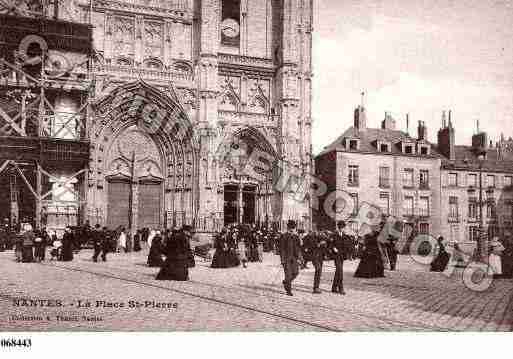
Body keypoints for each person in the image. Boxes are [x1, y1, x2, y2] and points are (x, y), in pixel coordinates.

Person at [279, 220, 301, 296]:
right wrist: (282, 260)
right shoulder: (284, 236)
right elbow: (281, 249)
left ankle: (286, 282)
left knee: (296, 273)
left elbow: (298, 248)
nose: (292, 229)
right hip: (287, 259)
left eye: (293, 228)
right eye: (290, 228)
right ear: (288, 228)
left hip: (294, 259)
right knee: (288, 274)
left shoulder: (296, 237)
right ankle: (288, 290)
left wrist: (299, 258)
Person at [330, 221, 348, 294]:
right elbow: (330, 244)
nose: (341, 229)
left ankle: (334, 287)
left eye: (342, 228)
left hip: (342, 256)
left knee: (338, 272)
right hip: (336, 255)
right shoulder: (334, 235)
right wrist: (333, 248)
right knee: (340, 271)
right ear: (338, 228)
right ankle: (341, 288)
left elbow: (346, 245)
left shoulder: (344, 235)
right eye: (340, 228)